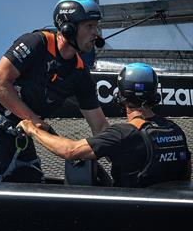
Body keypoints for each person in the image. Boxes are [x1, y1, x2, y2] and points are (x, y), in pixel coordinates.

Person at [0, 0, 110, 182]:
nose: (96, 33)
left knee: (35, 188)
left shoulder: (80, 72)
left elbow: (100, 126)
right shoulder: (36, 43)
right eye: (89, 26)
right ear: (68, 28)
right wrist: (33, 120)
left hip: (21, 132)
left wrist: (125, 153)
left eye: (96, 26)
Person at [19, 63, 190, 187]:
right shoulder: (175, 130)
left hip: (131, 218)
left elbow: (70, 151)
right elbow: (185, 176)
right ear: (154, 94)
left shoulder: (123, 134)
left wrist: (32, 129)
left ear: (121, 96)